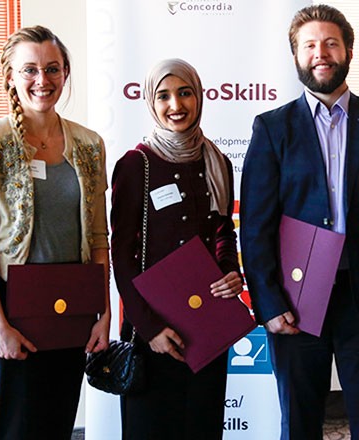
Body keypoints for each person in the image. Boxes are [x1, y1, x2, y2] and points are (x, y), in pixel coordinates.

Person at [239, 5, 359, 439]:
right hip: (296, 300)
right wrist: (267, 301)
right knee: (299, 423)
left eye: (331, 43)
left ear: (349, 51)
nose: (320, 53)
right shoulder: (271, 128)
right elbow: (256, 226)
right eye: (309, 46)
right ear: (297, 57)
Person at [0, 25, 111, 439]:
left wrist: (103, 314)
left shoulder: (89, 144)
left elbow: (99, 237)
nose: (41, 81)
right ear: (9, 75)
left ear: (65, 73)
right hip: (12, 309)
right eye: (29, 70)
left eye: (52, 69)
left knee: (56, 427)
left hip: (71, 308)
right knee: (17, 431)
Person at [110, 58, 243, 439]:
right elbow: (122, 255)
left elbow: (222, 231)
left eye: (185, 93)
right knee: (151, 428)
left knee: (201, 426)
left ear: (199, 96)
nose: (176, 105)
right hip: (153, 328)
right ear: (151, 103)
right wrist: (149, 328)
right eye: (164, 95)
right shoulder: (136, 165)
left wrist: (228, 271)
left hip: (206, 323)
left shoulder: (216, 161)